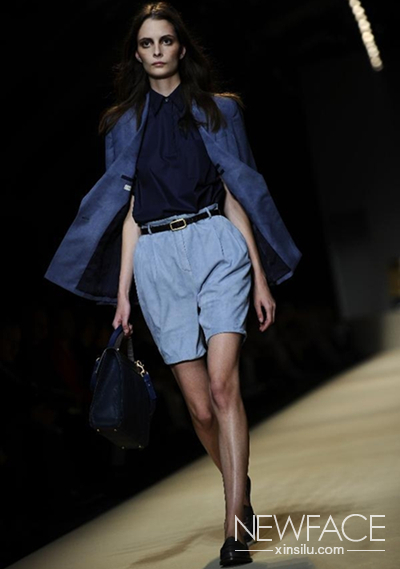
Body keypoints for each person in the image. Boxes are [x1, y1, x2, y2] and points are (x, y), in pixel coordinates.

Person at [44, 2, 302, 565]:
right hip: (157, 259)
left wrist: (260, 277)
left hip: (216, 244)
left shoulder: (220, 110)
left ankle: (234, 527)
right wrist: (122, 294)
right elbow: (130, 212)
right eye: (147, 43)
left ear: (182, 47)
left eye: (166, 41)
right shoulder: (121, 124)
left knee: (224, 386)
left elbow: (236, 193)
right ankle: (239, 484)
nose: (158, 51)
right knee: (200, 409)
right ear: (137, 54)